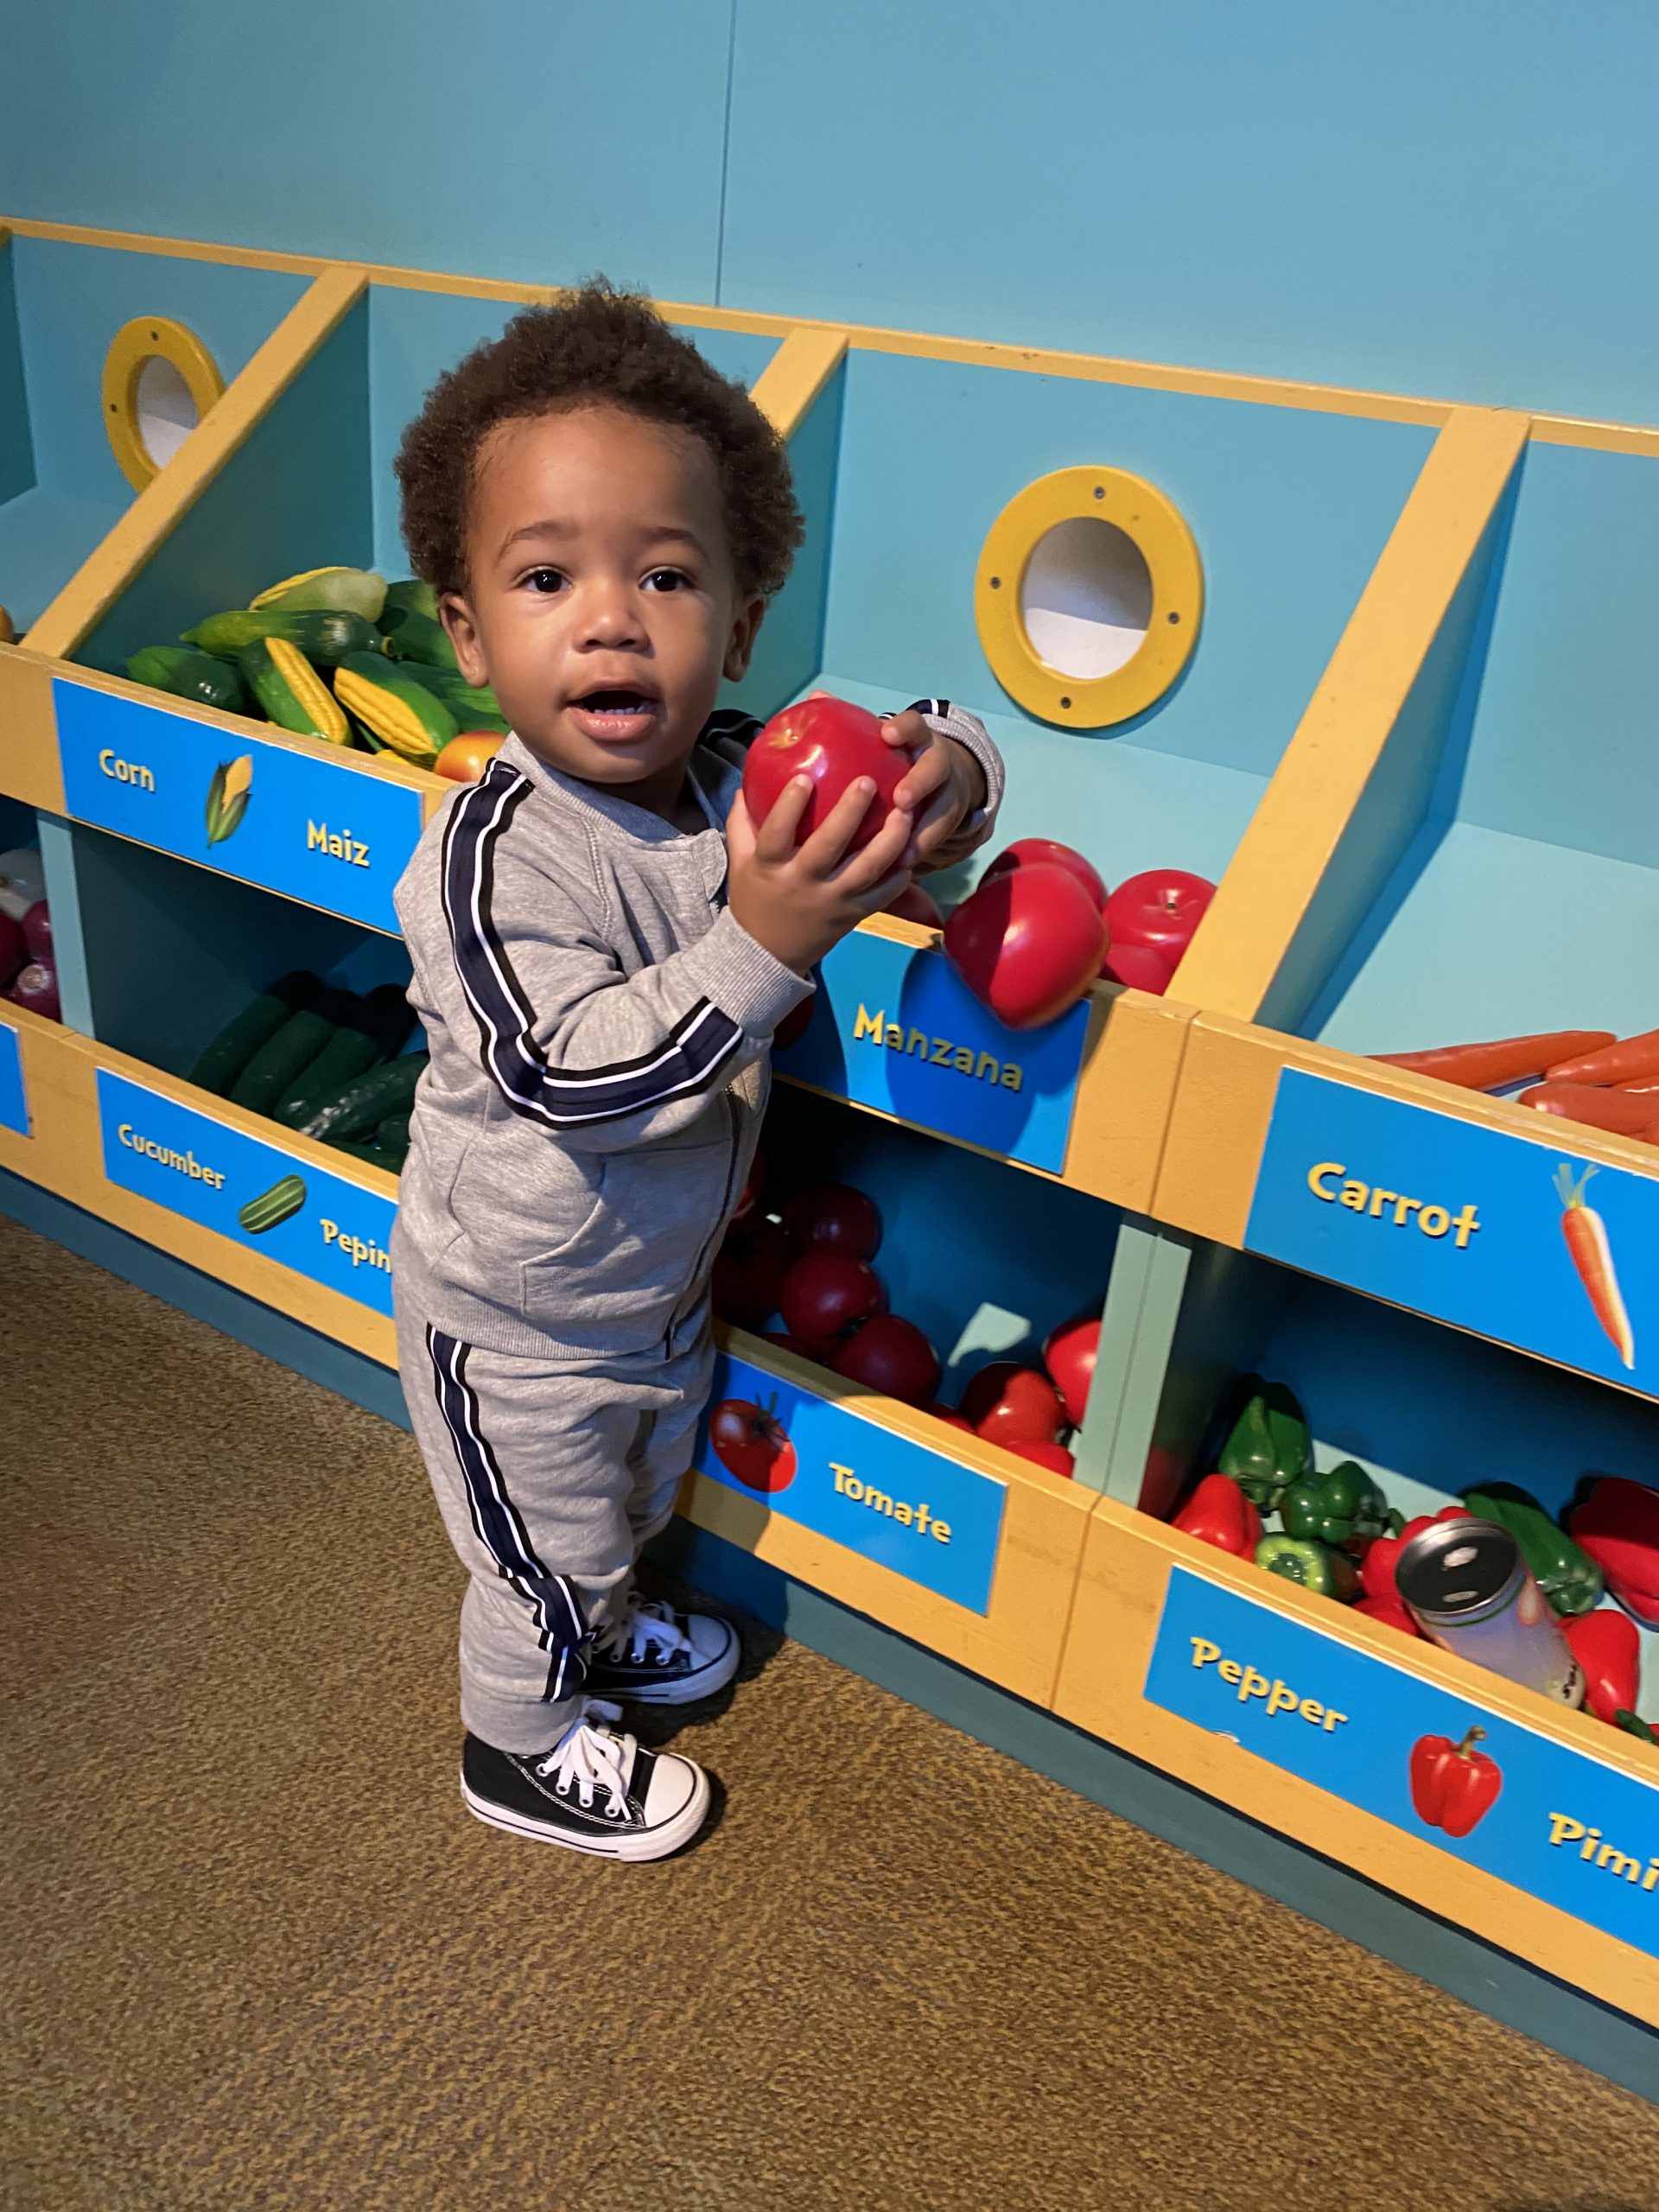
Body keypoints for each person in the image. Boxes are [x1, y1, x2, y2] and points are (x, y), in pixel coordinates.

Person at [391, 281, 1003, 1859]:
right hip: (513, 1317)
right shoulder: (490, 858)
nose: (610, 618)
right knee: (537, 1551)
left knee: (626, 1502)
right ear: (469, 633)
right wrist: (766, 937)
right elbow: (568, 1077)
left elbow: (918, 748)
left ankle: (598, 1635)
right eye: (546, 578)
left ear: (736, 628)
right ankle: (518, 1744)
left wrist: (944, 766)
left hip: (655, 1288)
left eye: (664, 575)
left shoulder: (740, 770)